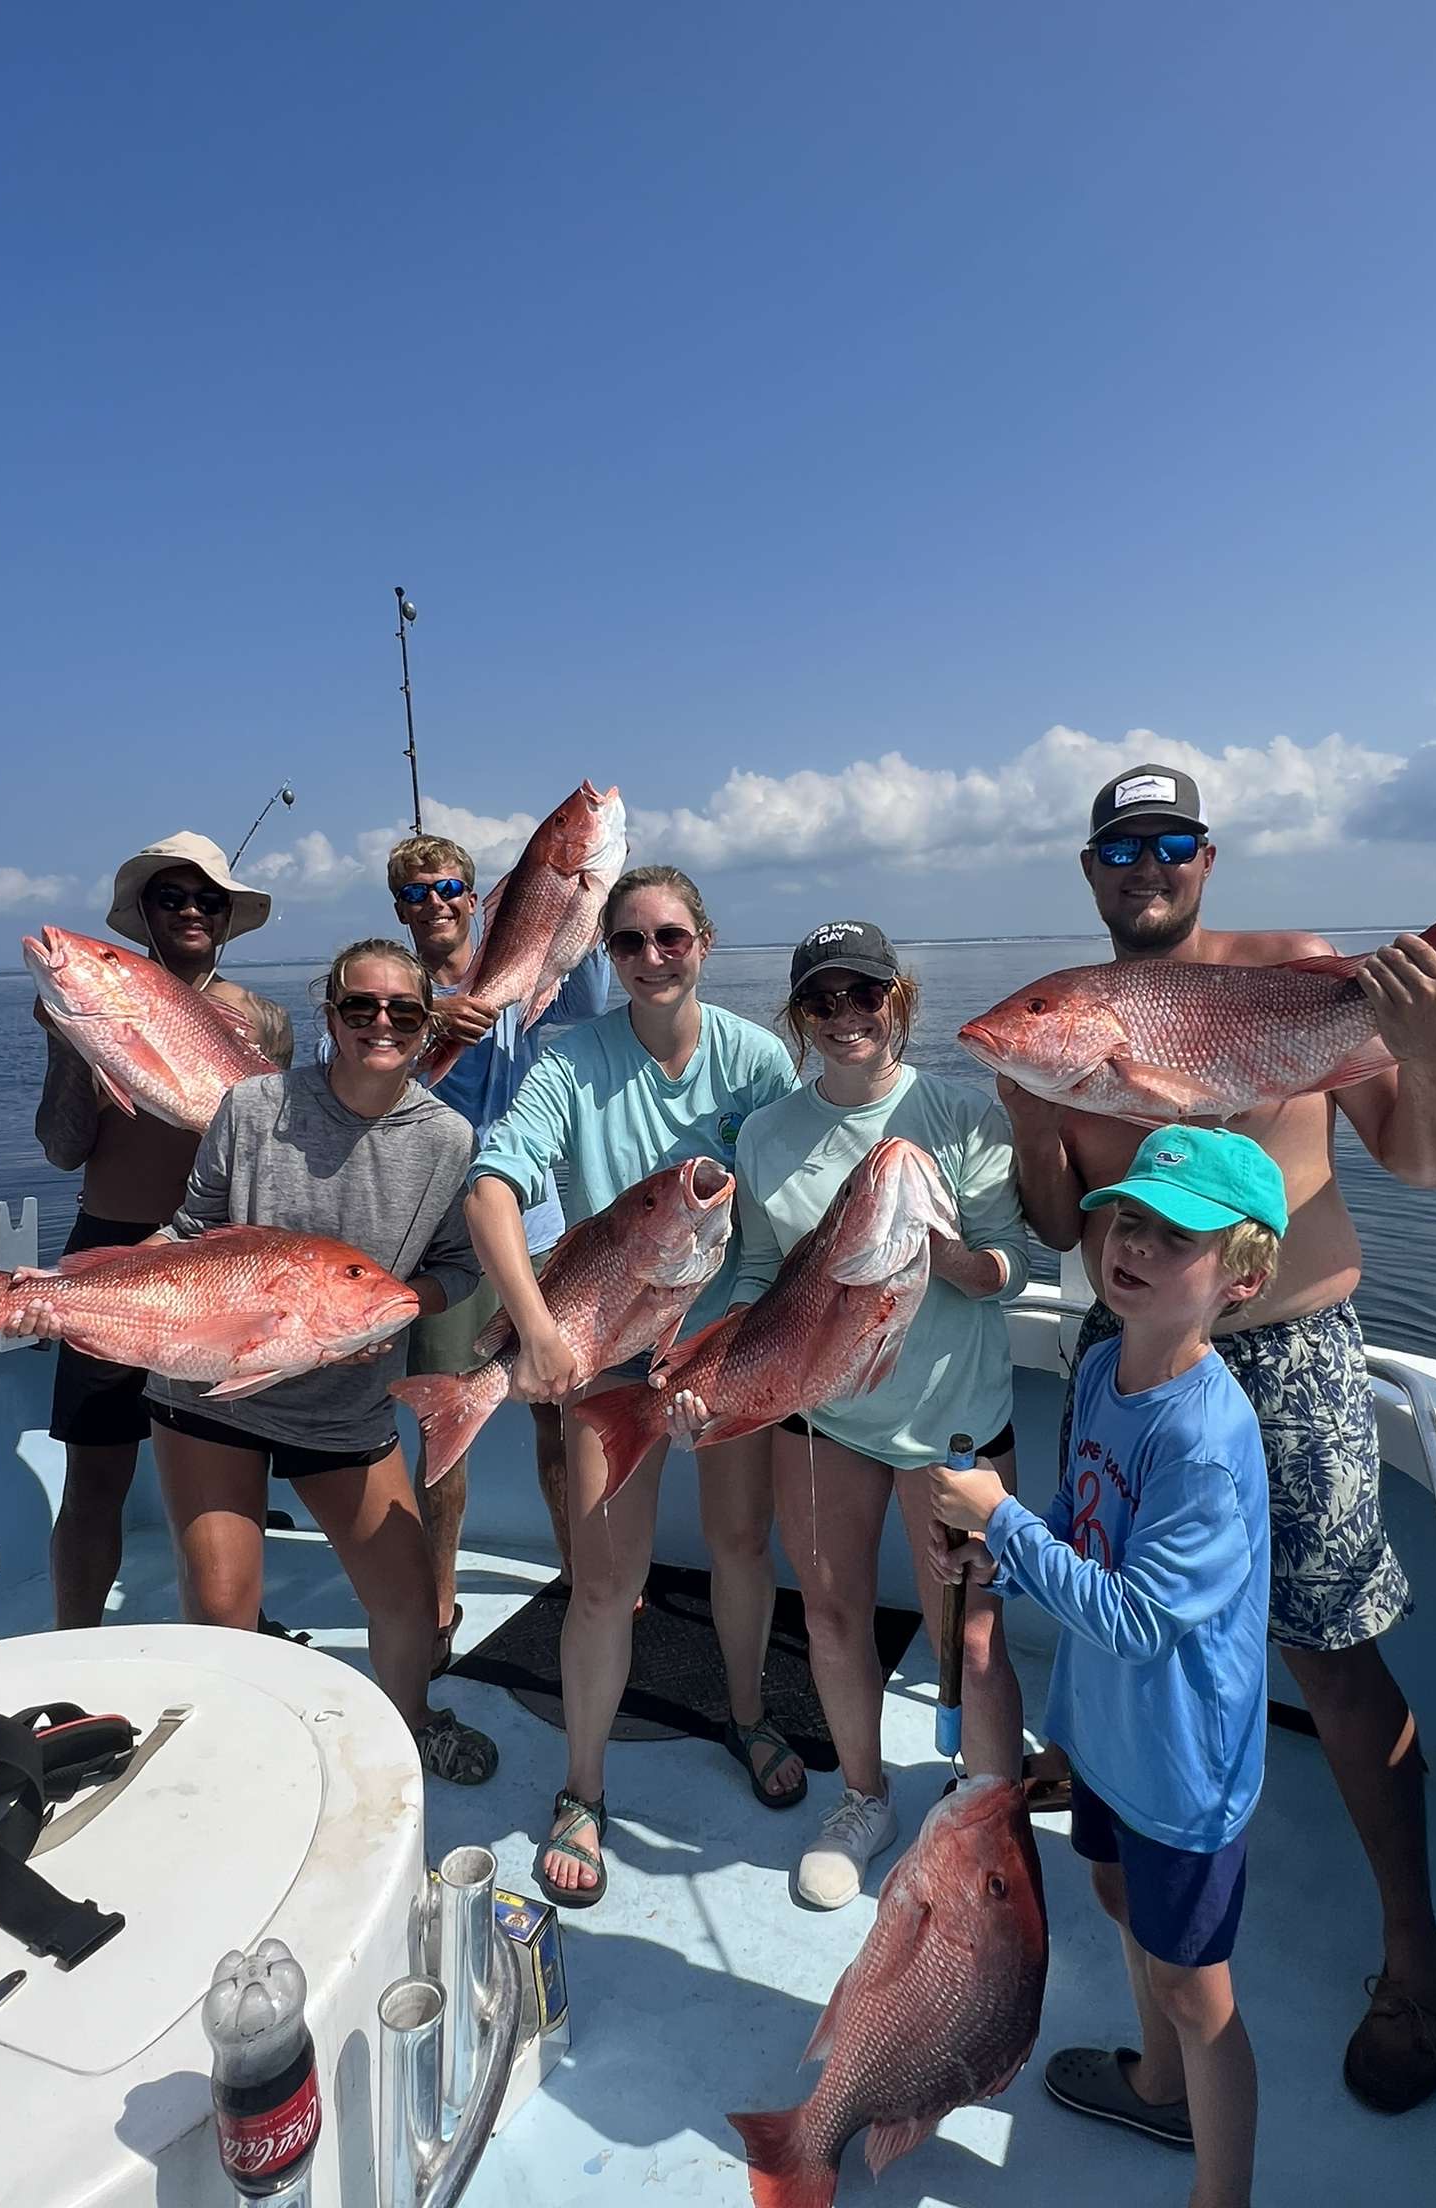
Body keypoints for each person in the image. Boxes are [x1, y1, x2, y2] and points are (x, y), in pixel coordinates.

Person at [1003, 764, 1436, 2113]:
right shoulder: (1060, 1022)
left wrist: (1428, 1043)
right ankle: (1162, 1997)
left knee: (1331, 1651)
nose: (1146, 865)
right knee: (1118, 1637)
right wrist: (1037, 1129)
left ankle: (1414, 1956)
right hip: (1133, 1361)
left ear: (1207, 857)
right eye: (1119, 848)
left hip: (1297, 1357)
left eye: (1171, 842)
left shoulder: (1298, 971)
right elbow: (1054, 1227)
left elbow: (1425, 1163)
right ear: (1090, 871)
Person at [929, 1126, 1286, 2208]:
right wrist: (1004, 1552)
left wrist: (1008, 1524)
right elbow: (1092, 1550)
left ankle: (1217, 2188)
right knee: (1110, 1891)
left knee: (1196, 1988)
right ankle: (1154, 2084)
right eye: (1126, 1219)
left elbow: (1137, 1618)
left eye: (1175, 1237)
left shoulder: (1207, 1439)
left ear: (1242, 1275)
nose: (1132, 1245)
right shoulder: (1097, 1364)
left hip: (1182, 1767)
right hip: (1106, 1734)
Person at [465, 865, 801, 1905]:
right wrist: (535, 1333)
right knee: (606, 1582)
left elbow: (792, 1196)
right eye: (630, 942)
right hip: (606, 1346)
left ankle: (746, 1714)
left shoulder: (757, 1059)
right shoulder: (571, 1063)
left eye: (672, 937)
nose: (653, 958)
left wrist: (732, 1343)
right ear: (606, 956)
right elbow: (492, 1185)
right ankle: (582, 1787)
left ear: (705, 940)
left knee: (743, 1545)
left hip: (726, 1345)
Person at [683, 920, 1030, 1911]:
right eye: (822, 1001)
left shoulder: (960, 1117)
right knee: (831, 1612)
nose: (846, 1017)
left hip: (953, 1419)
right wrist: (710, 1374)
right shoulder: (769, 1135)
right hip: (823, 1418)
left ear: (899, 1001)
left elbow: (1010, 1264)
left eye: (864, 995)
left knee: (969, 1637)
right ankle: (866, 1797)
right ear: (798, 1017)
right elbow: (757, 1274)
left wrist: (947, 1255)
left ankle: (977, 1814)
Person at [145, 938, 489, 1782]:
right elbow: (193, 1232)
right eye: (359, 1006)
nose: (380, 1022)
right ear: (327, 1014)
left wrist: (403, 1309)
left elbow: (457, 1264)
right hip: (210, 1391)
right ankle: (234, 1753)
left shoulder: (446, 1138)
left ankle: (409, 1726)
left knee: (407, 1602)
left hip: (345, 1403)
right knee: (225, 1605)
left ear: (425, 1025)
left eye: (403, 1011)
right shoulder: (253, 1106)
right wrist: (101, 1289)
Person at [31, 832, 293, 1629]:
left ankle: (228, 1632)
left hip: (222, 1254)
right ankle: (70, 1645)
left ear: (226, 916)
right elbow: (61, 1147)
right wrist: (74, 1041)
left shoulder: (267, 1021)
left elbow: (282, 1143)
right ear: (142, 913)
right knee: (95, 1474)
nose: (189, 910)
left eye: (206, 899)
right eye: (170, 897)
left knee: (223, 1473)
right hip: (111, 1244)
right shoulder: (88, 1007)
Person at [383, 832, 610, 1672]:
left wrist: (581, 885)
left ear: (477, 898)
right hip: (443, 1243)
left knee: (565, 1421)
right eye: (414, 893)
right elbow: (342, 1075)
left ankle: (588, 1583)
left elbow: (587, 981)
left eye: (448, 887)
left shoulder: (530, 975)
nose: (435, 903)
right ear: (399, 910)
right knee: (450, 1427)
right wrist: (422, 1022)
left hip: (539, 1233)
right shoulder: (384, 999)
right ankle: (437, 1606)